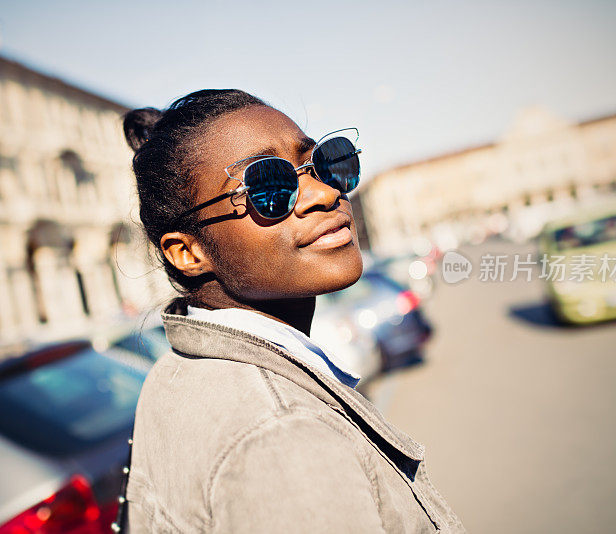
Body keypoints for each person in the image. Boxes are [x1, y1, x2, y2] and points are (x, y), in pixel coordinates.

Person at [117, 89, 464, 533]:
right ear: (188, 251)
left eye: (326, 162)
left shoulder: (176, 371)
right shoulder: (282, 436)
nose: (324, 193)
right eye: (267, 187)